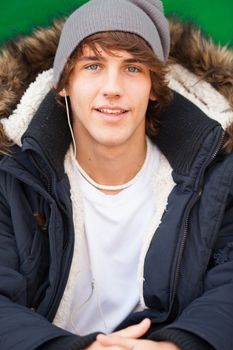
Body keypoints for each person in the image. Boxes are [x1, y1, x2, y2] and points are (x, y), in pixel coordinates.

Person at [0, 0, 233, 349]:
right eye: (93, 65)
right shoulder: (14, 174)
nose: (113, 87)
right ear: (63, 83)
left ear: (154, 86)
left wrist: (178, 345)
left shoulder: (214, 172)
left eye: (133, 68)